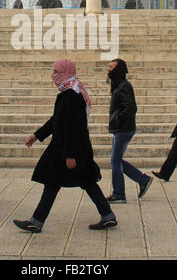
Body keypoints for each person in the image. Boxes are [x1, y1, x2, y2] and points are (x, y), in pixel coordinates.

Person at [13, 59, 117, 233]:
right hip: (74, 147)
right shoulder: (71, 91)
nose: (53, 75)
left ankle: (36, 221)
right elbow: (57, 120)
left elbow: (71, 126)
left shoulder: (71, 95)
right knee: (83, 182)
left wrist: (70, 155)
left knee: (57, 182)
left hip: (68, 149)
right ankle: (108, 216)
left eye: (56, 71)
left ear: (64, 72)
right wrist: (37, 135)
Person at [107, 58, 153, 203]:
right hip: (121, 128)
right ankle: (142, 179)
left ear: (119, 69)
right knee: (116, 159)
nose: (109, 69)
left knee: (115, 160)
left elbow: (131, 107)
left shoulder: (124, 86)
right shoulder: (118, 84)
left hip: (123, 128)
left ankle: (119, 193)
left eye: (111, 67)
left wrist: (117, 120)